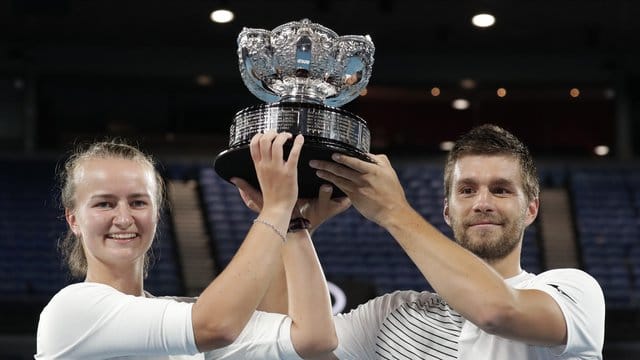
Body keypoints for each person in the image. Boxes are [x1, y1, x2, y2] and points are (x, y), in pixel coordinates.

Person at [308, 124, 605, 359]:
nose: (482, 203)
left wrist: (393, 211)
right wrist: (296, 225)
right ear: (447, 212)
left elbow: (496, 311)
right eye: (467, 190)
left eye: (501, 190)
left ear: (531, 209)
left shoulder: (574, 292)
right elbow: (301, 345)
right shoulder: (394, 315)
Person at [35, 131, 337, 359]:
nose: (124, 218)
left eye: (138, 202)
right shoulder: (72, 309)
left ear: (156, 211)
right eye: (104, 204)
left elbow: (311, 338)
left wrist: (295, 224)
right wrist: (276, 209)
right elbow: (216, 325)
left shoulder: (180, 315)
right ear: (73, 219)